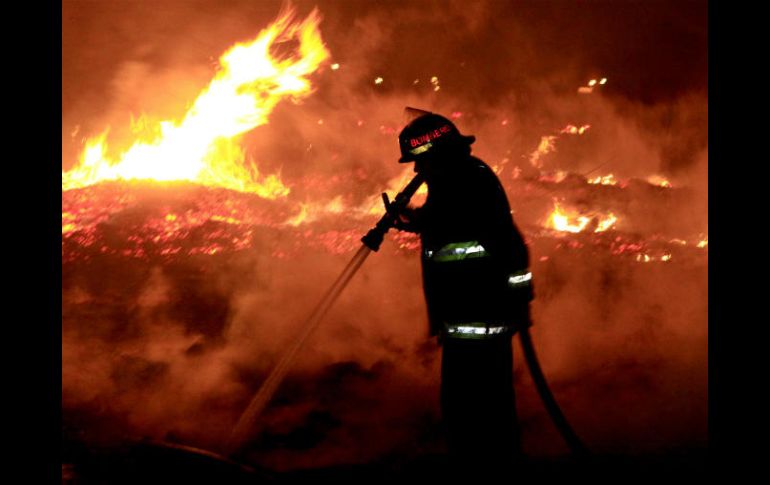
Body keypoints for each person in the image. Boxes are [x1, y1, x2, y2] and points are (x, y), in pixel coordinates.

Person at [389, 109, 534, 477]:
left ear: (436, 154)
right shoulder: (457, 179)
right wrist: (409, 219)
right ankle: (482, 466)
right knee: (473, 407)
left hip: (480, 316)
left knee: (476, 408)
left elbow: (509, 246)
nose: (417, 172)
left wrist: (519, 298)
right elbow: (447, 222)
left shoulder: (467, 180)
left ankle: (486, 473)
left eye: (420, 162)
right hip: (465, 316)